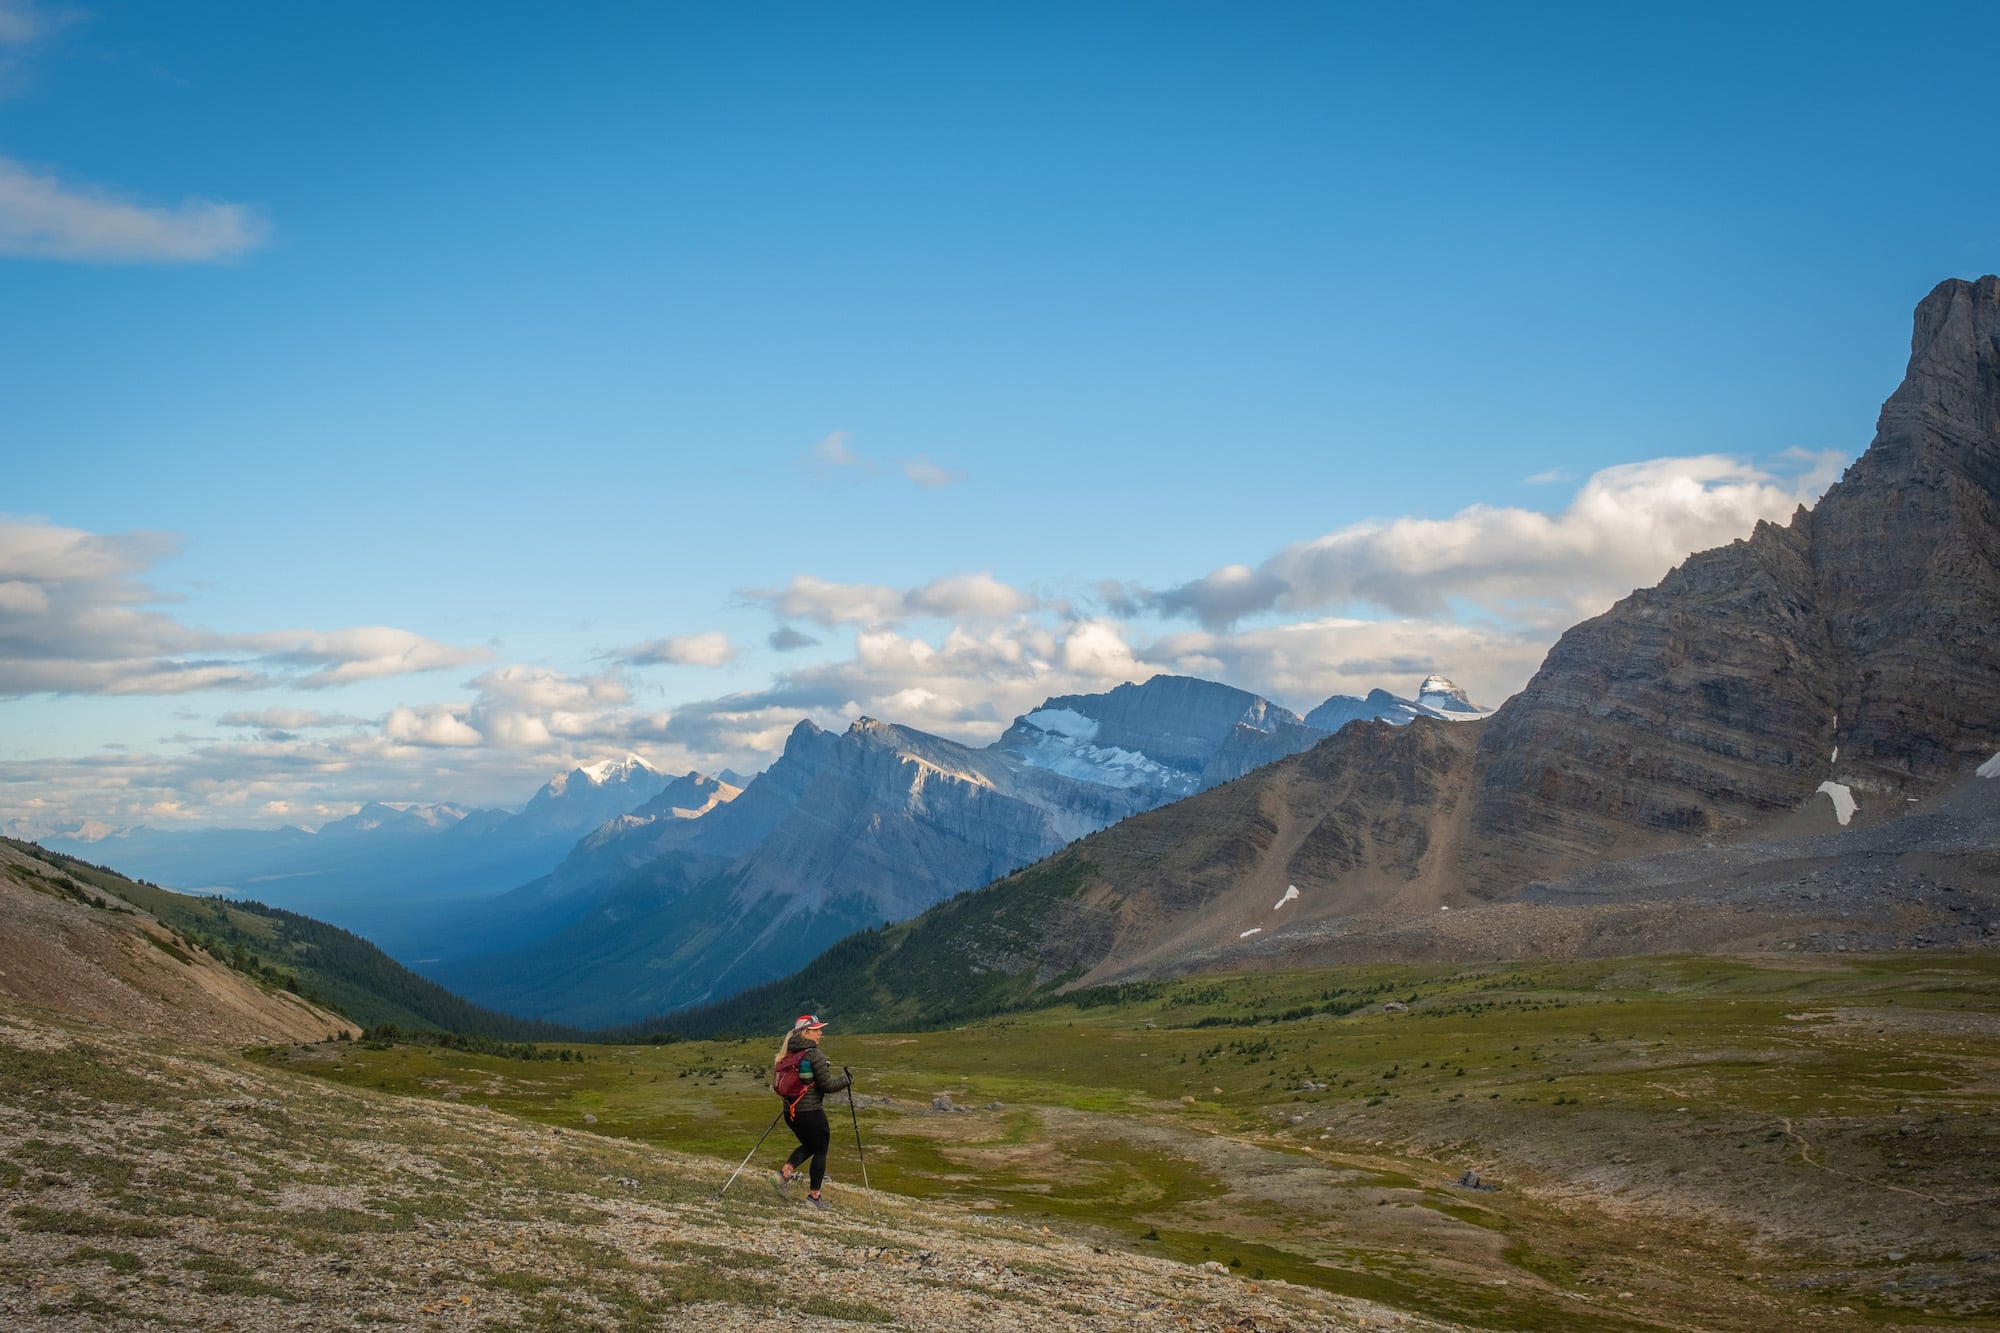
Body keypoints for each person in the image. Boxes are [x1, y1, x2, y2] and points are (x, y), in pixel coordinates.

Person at [772, 1013, 850, 1211]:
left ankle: (784, 1174)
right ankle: (814, 1197)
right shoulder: (813, 1054)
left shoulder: (788, 1053)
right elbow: (827, 1086)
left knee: (810, 1144)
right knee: (821, 1149)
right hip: (811, 1111)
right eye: (816, 1030)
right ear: (805, 1032)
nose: (820, 1033)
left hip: (791, 1111)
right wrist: (846, 1079)